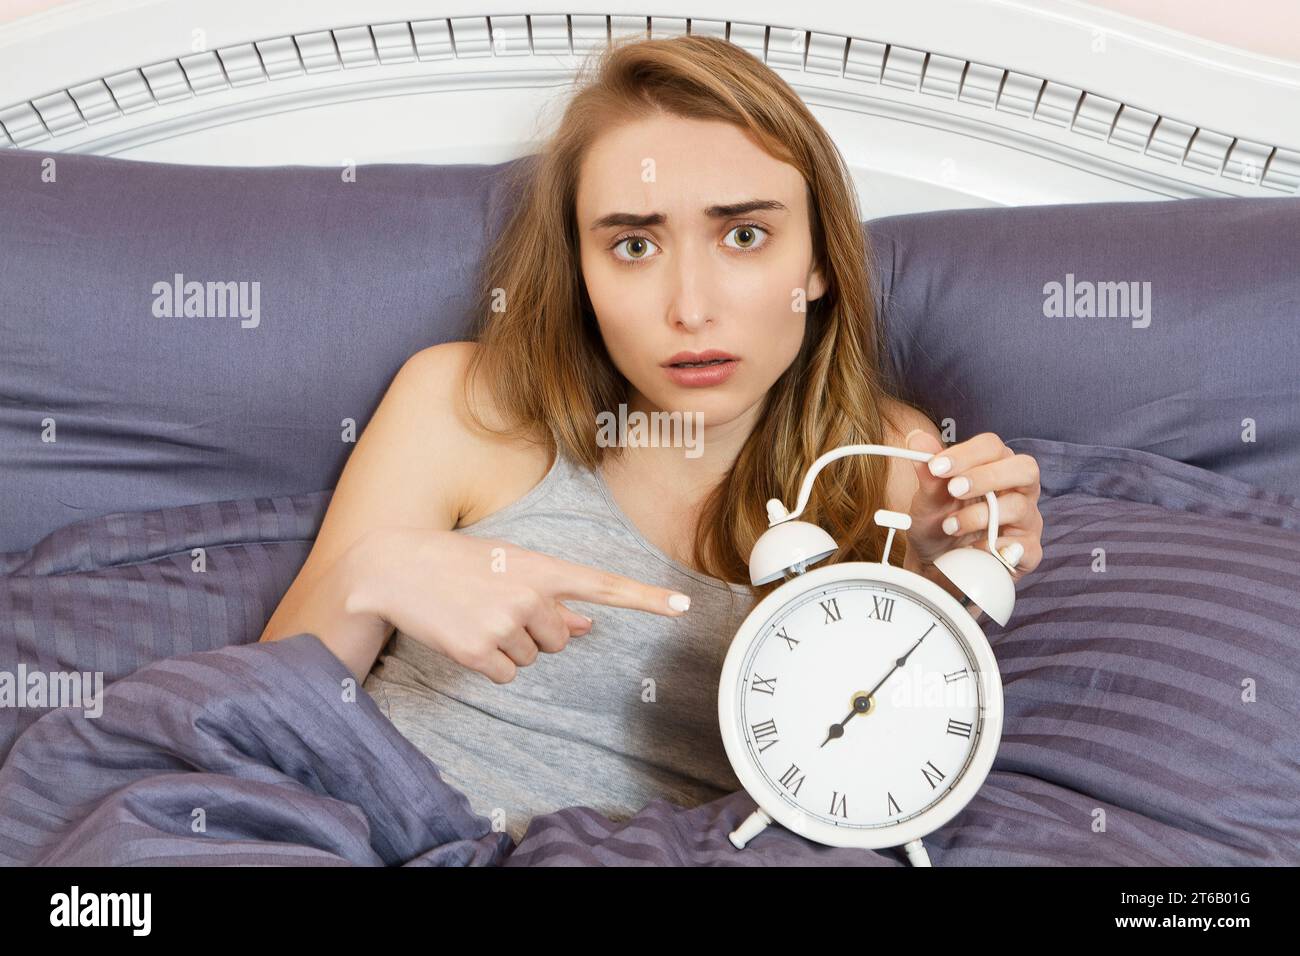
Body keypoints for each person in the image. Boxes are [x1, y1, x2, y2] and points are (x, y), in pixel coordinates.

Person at [258, 34, 1044, 845]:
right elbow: (264, 721)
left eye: (743, 236)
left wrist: (938, 579)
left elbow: (891, 766)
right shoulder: (462, 400)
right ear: (581, 271)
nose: (691, 308)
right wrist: (372, 574)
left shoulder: (890, 462)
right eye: (634, 246)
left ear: (818, 263)